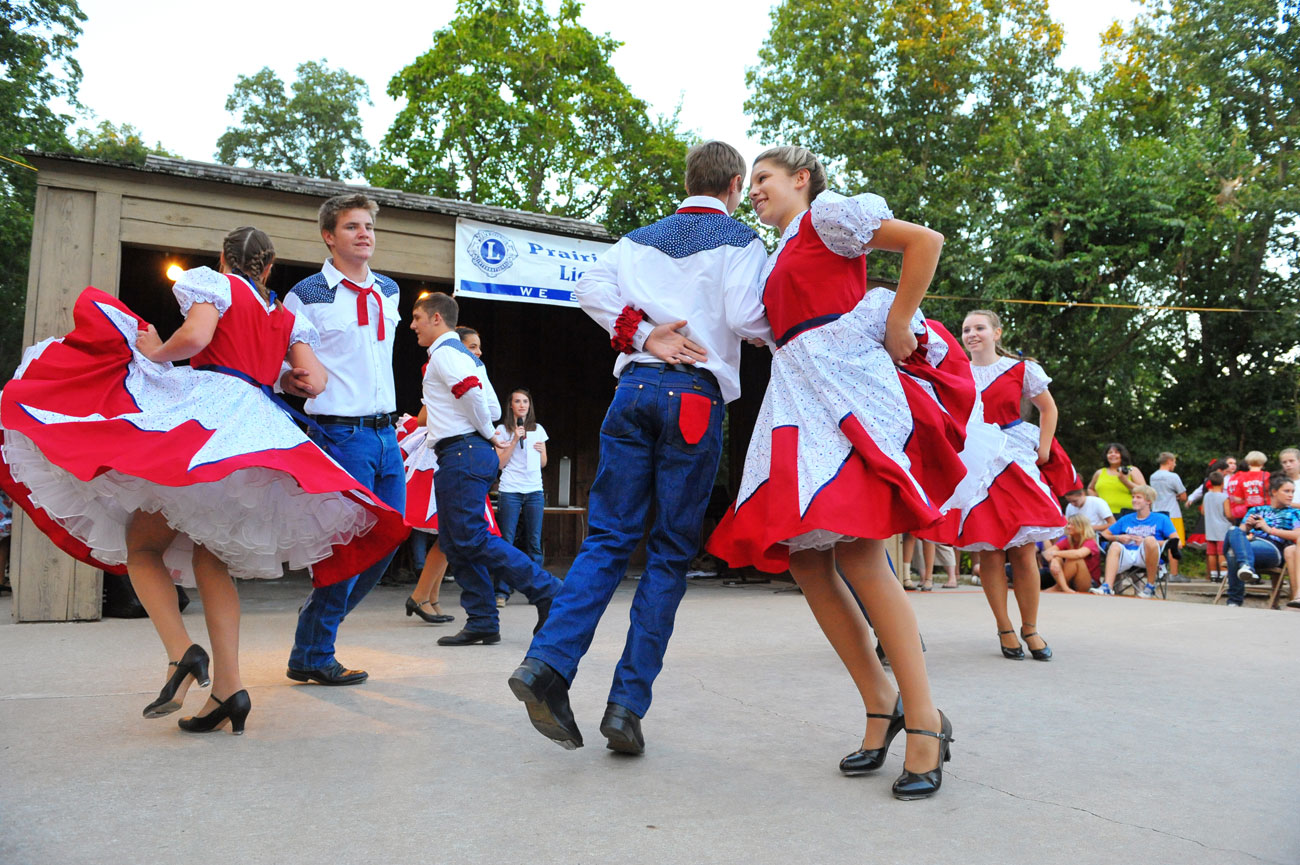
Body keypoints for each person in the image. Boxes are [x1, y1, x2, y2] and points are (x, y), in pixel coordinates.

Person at [0, 227, 407, 732]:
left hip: (211, 417)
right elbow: (315, 382)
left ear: (225, 259)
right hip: (258, 423)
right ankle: (229, 689)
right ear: (270, 267)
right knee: (211, 557)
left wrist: (153, 350)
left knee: (143, 548)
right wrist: (283, 376)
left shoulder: (215, 285)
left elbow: (196, 338)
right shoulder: (287, 314)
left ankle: (181, 652)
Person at [702, 144, 969, 799]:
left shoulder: (829, 219)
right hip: (797, 396)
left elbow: (924, 243)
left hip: (845, 388)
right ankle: (881, 700)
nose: (756, 189)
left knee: (859, 552)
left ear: (802, 178)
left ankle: (924, 720)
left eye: (764, 178)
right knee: (804, 558)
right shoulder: (772, 254)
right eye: (752, 182)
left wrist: (900, 316)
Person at [508, 140, 771, 760]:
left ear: (689, 180)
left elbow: (588, 291)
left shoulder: (635, 240)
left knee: (605, 539)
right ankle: (626, 705)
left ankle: (547, 663)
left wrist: (646, 333)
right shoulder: (741, 241)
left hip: (632, 389)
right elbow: (744, 314)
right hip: (695, 398)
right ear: (734, 185)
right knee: (669, 554)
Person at [280, 193, 407, 686]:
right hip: (340, 435)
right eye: (353, 226)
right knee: (345, 547)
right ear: (329, 236)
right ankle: (315, 648)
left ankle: (313, 634)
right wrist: (286, 378)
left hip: (386, 436)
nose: (365, 233)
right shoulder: (306, 293)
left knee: (385, 541)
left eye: (369, 225)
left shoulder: (391, 290)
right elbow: (280, 361)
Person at [414, 292, 561, 645]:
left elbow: (477, 400)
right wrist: (489, 432)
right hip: (463, 453)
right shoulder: (468, 358)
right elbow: (494, 404)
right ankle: (482, 619)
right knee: (455, 541)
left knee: (471, 538)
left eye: (418, 316)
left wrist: (485, 433)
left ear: (437, 318)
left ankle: (549, 591)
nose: (413, 324)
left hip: (464, 451)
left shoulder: (446, 354)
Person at [943, 309, 1075, 663]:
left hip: (1014, 457)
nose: (972, 334)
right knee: (989, 550)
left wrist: (1044, 448)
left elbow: (1048, 409)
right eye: (966, 328)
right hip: (976, 462)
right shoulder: (954, 371)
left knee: (1024, 549)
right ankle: (1004, 627)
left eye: (980, 328)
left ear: (997, 333)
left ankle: (1030, 627)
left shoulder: (1020, 368)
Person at [493, 389, 548, 606]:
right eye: (517, 401)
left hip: (534, 490)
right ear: (511, 406)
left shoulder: (538, 429)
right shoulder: (501, 430)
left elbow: (543, 463)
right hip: (510, 490)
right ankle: (501, 591)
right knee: (507, 540)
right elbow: (499, 464)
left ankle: (537, 591)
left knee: (533, 542)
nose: (522, 405)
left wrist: (542, 452)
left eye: (526, 401)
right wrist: (515, 439)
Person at [1223, 474, 1300, 607]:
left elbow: (1297, 535)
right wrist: (1247, 526)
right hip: (1249, 543)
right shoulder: (1256, 509)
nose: (1291, 495)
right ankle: (1246, 565)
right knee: (1233, 531)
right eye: (1286, 491)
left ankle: (1234, 600)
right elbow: (1239, 533)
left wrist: (1268, 529)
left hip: (1273, 548)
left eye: (1292, 492)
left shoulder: (1294, 513)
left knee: (1233, 553)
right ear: (1274, 492)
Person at [1091, 485, 1176, 597]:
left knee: (1150, 540)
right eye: (1133, 497)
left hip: (1147, 556)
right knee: (1115, 545)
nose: (1134, 500)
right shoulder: (1126, 518)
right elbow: (1104, 534)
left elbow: (1176, 542)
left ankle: (1150, 587)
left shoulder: (1161, 518)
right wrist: (1118, 538)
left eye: (1138, 497)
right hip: (1126, 555)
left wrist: (1145, 541)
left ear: (1148, 501)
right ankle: (1107, 586)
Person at [1149, 452, 1188, 580]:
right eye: (1174, 462)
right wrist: (1175, 496)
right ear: (1169, 461)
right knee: (1174, 543)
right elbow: (1183, 496)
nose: (1175, 465)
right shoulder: (1173, 476)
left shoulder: (1153, 476)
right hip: (1172, 513)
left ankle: (1159, 571)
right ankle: (1174, 574)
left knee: (1158, 543)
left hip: (1156, 512)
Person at [1041, 515, 1101, 593]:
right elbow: (1047, 553)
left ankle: (1058, 587)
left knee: (1075, 559)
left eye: (1072, 524)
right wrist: (1054, 559)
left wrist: (1055, 553)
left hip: (1089, 583)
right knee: (1057, 558)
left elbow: (1079, 554)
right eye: (1068, 524)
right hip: (1071, 580)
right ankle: (1064, 587)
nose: (1068, 527)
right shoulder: (1068, 540)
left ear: (1081, 526)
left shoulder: (1090, 542)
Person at [1087, 443, 1145, 516]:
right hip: (1105, 515)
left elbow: (1145, 491)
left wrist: (1125, 481)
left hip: (1128, 513)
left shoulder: (1131, 469)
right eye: (1110, 453)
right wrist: (1097, 502)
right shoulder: (1100, 472)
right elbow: (1090, 489)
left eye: (1117, 452)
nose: (1113, 455)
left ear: (1122, 455)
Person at [1202, 470, 1231, 583]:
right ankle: (1224, 574)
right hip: (1222, 528)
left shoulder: (1207, 496)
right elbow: (1228, 514)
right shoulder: (1224, 497)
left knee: (1211, 553)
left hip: (1210, 528)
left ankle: (1213, 574)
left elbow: (1203, 511)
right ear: (1223, 483)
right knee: (1221, 552)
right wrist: (1233, 520)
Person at [1225, 451, 1270, 521]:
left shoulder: (1241, 477)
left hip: (1250, 511)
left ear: (1248, 463)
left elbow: (1238, 499)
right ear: (1263, 463)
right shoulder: (1267, 475)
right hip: (1266, 511)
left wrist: (1249, 499)